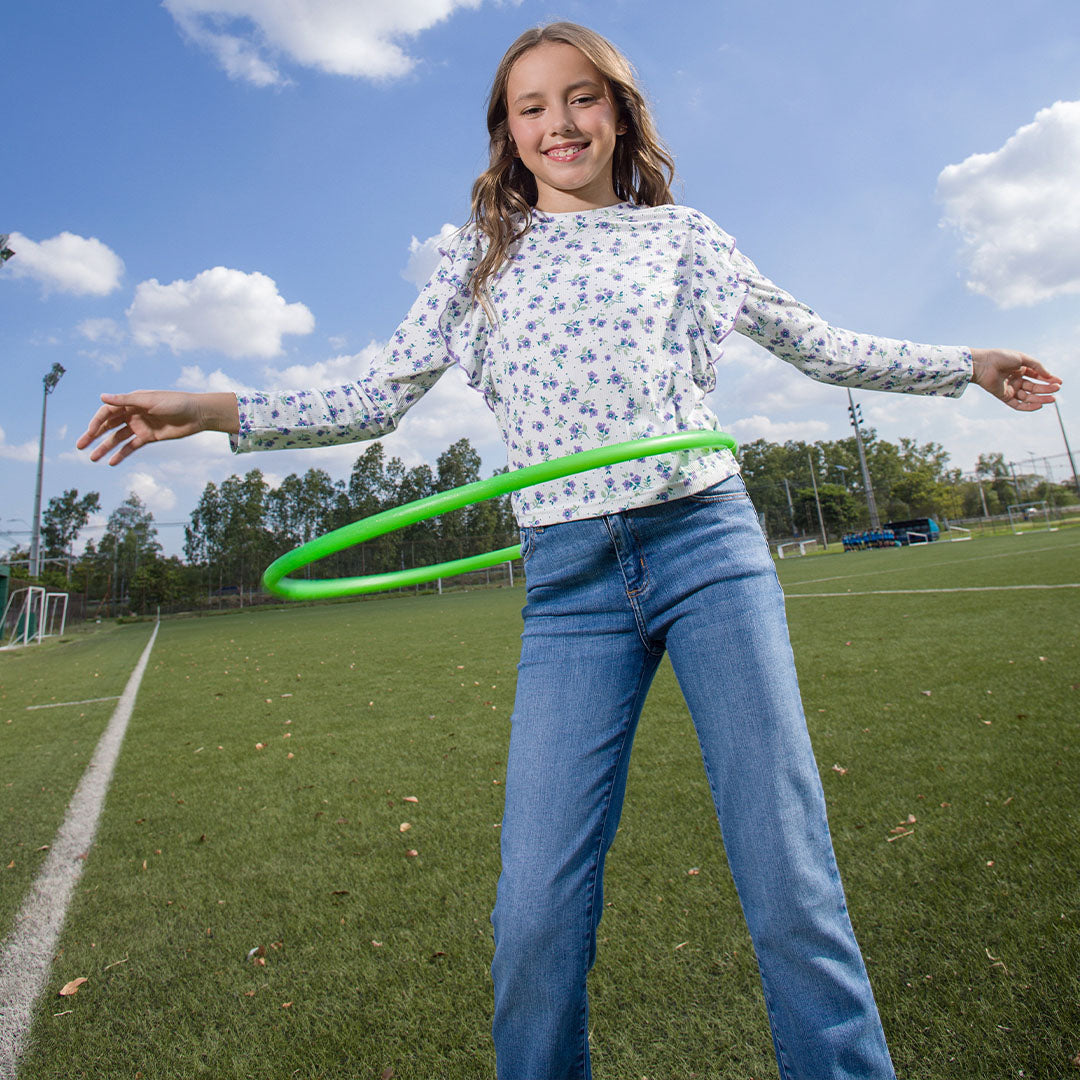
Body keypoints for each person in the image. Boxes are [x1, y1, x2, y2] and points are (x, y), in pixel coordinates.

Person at [79, 22, 1061, 1080]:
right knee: (537, 904)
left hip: (705, 543)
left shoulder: (684, 236)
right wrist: (205, 408)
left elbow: (820, 343)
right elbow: (368, 398)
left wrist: (970, 362)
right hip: (569, 583)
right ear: (506, 131)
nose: (559, 123)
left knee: (789, 866)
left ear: (621, 111)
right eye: (532, 106)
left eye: (582, 98)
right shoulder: (479, 256)